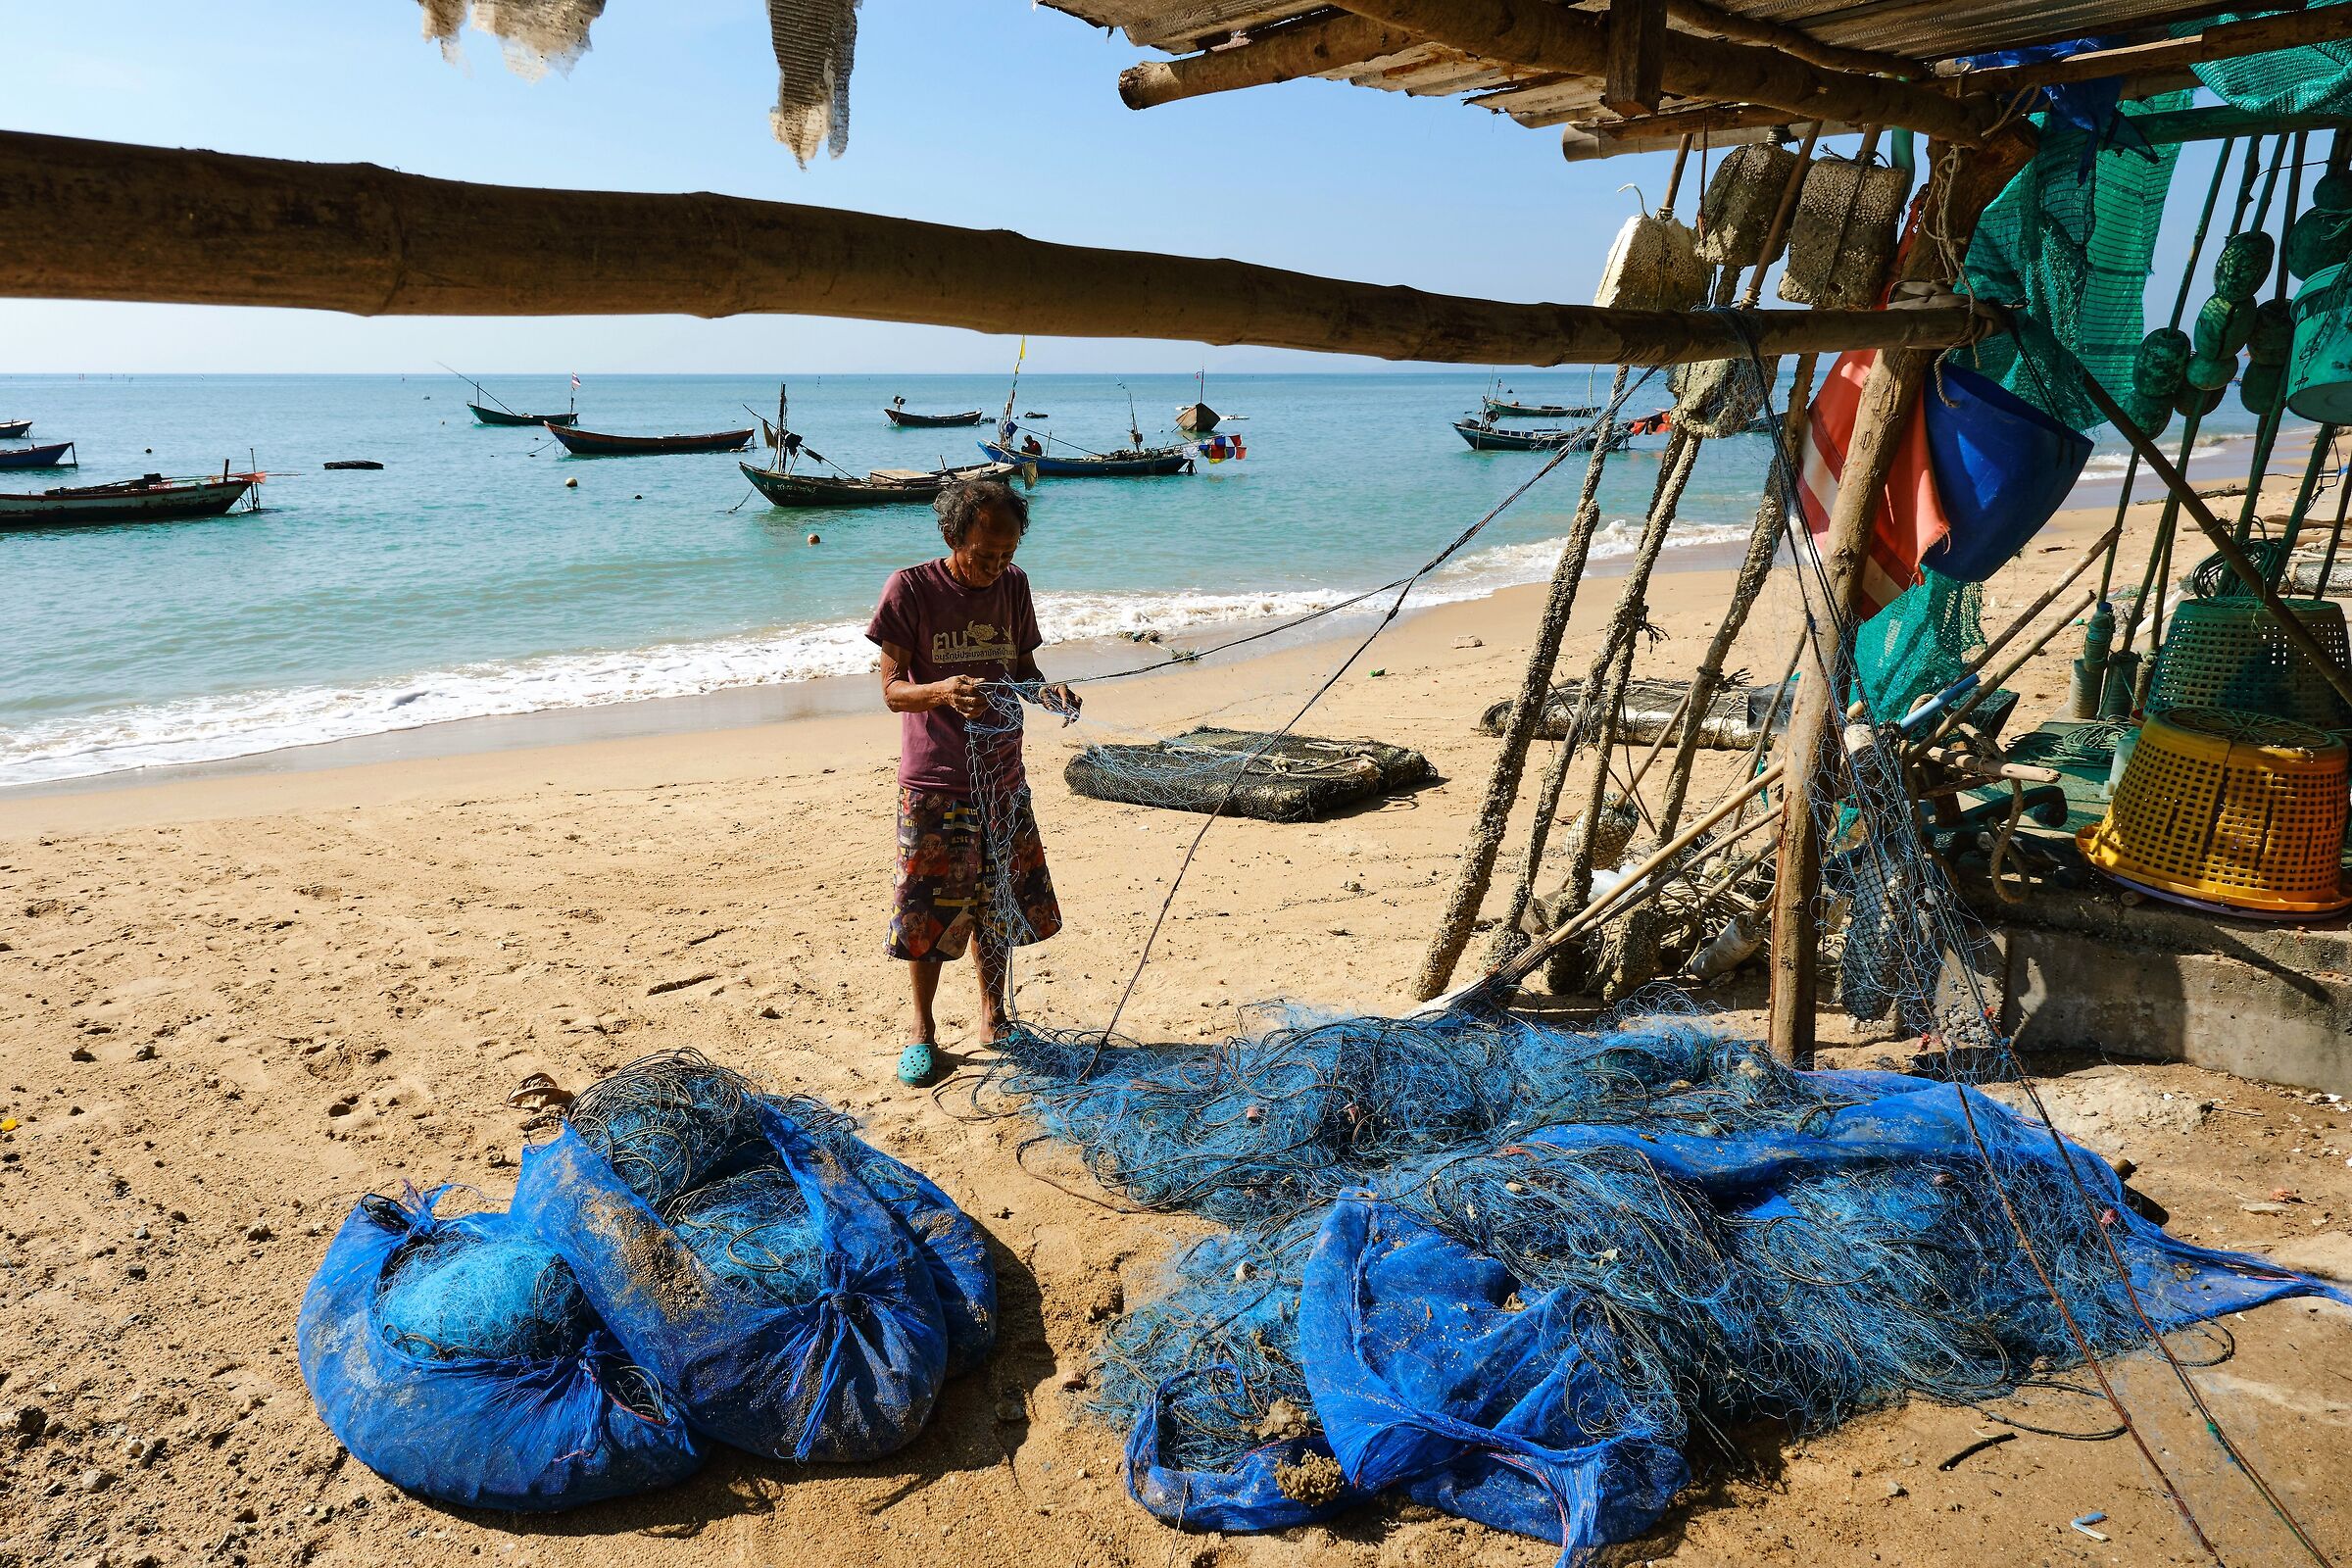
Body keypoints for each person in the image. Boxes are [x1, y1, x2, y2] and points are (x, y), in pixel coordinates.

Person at [866, 478, 1078, 1075]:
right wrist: (942, 691)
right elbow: (891, 692)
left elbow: (1024, 668)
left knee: (998, 901)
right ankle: (923, 1030)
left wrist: (1048, 693)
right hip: (937, 780)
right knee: (926, 909)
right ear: (951, 537)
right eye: (985, 554)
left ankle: (993, 1015)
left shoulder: (1014, 586)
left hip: (1003, 775)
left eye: (1008, 553)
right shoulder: (909, 589)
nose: (997, 566)